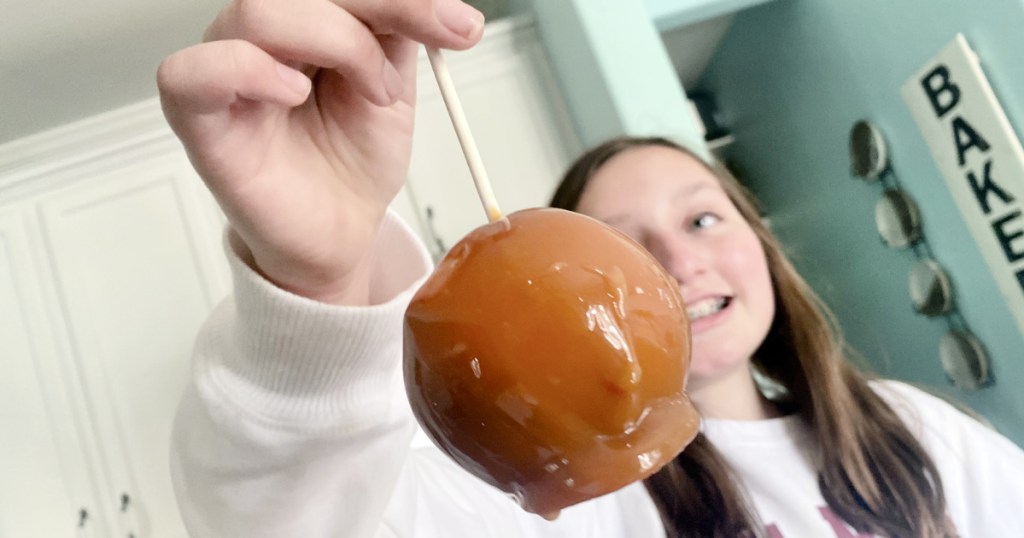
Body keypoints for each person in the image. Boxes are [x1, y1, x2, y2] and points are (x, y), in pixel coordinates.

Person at [158, 0, 1024, 536]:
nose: (680, 258)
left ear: (760, 241)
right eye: (629, 243)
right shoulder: (545, 493)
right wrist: (318, 282)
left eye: (703, 215)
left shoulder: (915, 435)